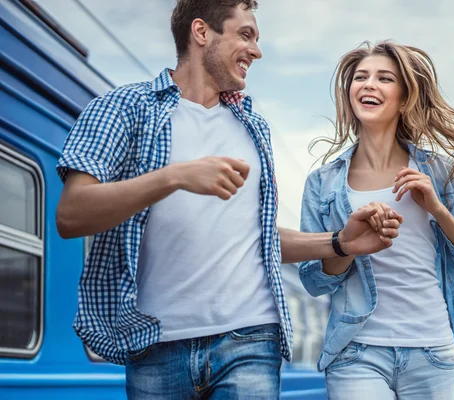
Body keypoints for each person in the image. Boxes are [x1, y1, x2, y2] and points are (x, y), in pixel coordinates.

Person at [55, 2, 402, 399]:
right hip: (154, 345)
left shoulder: (252, 128)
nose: (256, 51)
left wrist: (340, 242)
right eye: (246, 35)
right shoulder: (122, 109)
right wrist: (175, 176)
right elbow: (71, 214)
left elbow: (257, 237)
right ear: (202, 33)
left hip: (250, 340)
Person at [299, 41, 454, 399]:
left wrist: (437, 209)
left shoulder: (437, 171)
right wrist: (348, 241)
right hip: (356, 353)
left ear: (404, 99)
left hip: (433, 351)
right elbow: (314, 280)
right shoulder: (322, 182)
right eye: (361, 77)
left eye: (384, 78)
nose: (369, 84)